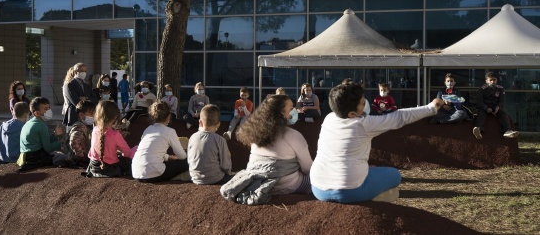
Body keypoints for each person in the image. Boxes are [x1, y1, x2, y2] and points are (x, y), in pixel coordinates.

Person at [309, 81, 443, 204]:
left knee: (369, 170)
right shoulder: (363, 124)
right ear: (351, 114)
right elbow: (400, 117)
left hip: (318, 188)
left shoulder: (329, 118)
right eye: (362, 102)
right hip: (349, 190)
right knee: (395, 175)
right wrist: (432, 107)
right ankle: (372, 198)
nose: (365, 103)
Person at [220, 95, 313, 205]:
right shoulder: (294, 136)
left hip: (256, 183)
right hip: (288, 185)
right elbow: (308, 169)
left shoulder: (254, 135)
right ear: (281, 114)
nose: (293, 111)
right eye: (291, 108)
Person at [132, 102, 188, 182]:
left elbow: (149, 150)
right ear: (169, 116)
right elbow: (182, 156)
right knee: (187, 161)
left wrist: (168, 157)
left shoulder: (148, 129)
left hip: (136, 173)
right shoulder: (170, 131)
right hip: (153, 175)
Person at [86, 101, 136, 178]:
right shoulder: (115, 134)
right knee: (135, 149)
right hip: (111, 168)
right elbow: (128, 153)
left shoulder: (95, 130)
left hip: (93, 166)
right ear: (114, 117)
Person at [187, 104, 233, 185]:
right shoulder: (220, 140)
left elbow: (189, 159)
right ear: (218, 124)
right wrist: (228, 172)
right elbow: (225, 165)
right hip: (216, 178)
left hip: (195, 178)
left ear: (200, 122)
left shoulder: (192, 137)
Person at [17, 97, 66, 171]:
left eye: (49, 108)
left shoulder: (30, 122)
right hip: (36, 158)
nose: (49, 111)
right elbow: (48, 148)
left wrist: (55, 135)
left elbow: (44, 142)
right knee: (63, 157)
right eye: (45, 109)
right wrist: (61, 142)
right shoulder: (41, 125)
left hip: (25, 156)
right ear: (36, 113)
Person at [473, 71, 519, 140]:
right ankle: (478, 130)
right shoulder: (482, 89)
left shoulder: (500, 89)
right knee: (481, 114)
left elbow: (502, 101)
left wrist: (498, 107)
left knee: (503, 114)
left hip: (495, 107)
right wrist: (486, 108)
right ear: (486, 81)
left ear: (496, 80)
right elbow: (479, 101)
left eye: (494, 80)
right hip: (484, 107)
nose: (492, 82)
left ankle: (507, 131)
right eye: (490, 80)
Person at [63, 63, 96, 129]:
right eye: (81, 71)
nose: (84, 73)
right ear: (75, 72)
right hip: (74, 118)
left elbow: (96, 99)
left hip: (87, 119)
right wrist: (88, 101)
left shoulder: (87, 86)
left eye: (85, 71)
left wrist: (86, 98)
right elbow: (76, 102)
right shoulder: (69, 85)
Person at [67, 100, 96, 167]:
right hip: (78, 160)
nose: (93, 116)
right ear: (81, 115)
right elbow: (74, 142)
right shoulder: (80, 127)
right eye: (91, 114)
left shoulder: (85, 126)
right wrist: (81, 156)